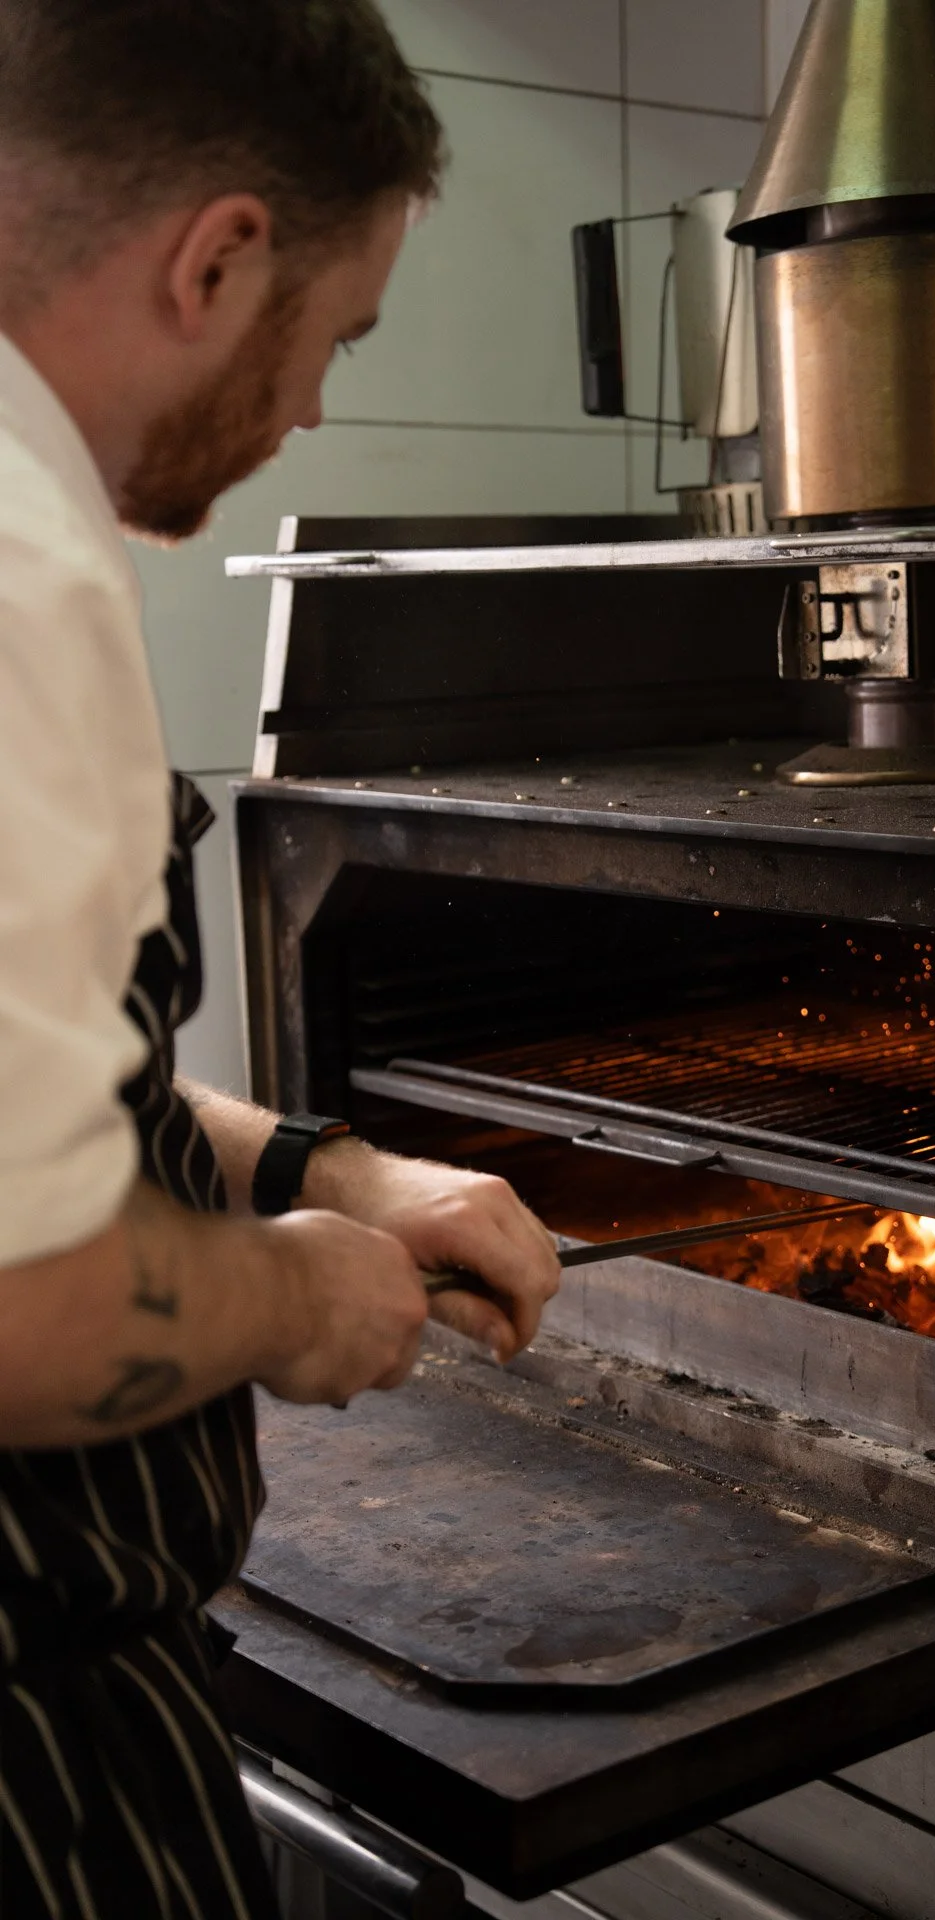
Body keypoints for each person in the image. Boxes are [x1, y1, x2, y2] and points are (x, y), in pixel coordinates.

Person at [0, 3, 562, 1913]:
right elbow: (20, 1303)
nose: (315, 402)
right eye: (333, 333)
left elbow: (60, 1092)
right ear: (218, 256)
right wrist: (291, 1300)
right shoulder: (18, 572)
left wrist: (339, 1168)